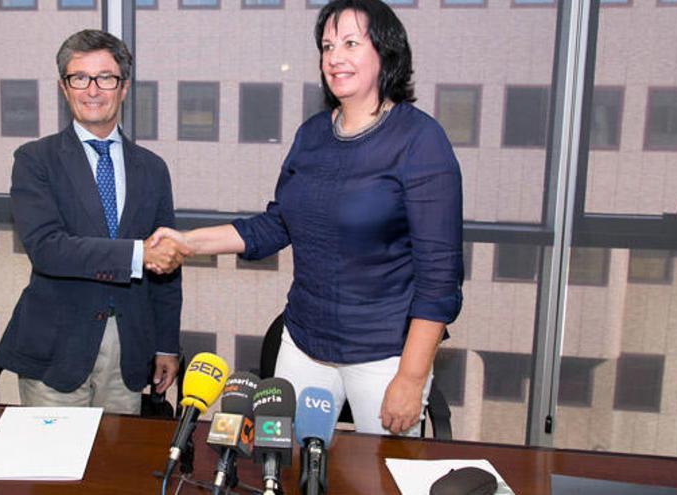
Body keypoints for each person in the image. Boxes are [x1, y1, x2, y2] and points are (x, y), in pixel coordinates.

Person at [152, 0, 463, 435]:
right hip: (302, 342)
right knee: (286, 467)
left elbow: (440, 277)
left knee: (378, 480)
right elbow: (278, 224)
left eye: (351, 43)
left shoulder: (421, 140)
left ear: (385, 52)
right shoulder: (313, 134)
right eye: (327, 45)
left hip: (386, 355)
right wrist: (189, 242)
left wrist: (411, 378)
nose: (334, 57)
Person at [0, 30, 191, 414]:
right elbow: (47, 249)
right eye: (79, 78)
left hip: (131, 349)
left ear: (124, 87)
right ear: (64, 88)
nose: (93, 89)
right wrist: (137, 254)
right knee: (53, 469)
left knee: (115, 467)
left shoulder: (152, 169)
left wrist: (167, 344)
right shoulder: (35, 160)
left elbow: (167, 269)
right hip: (56, 348)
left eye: (106, 78)